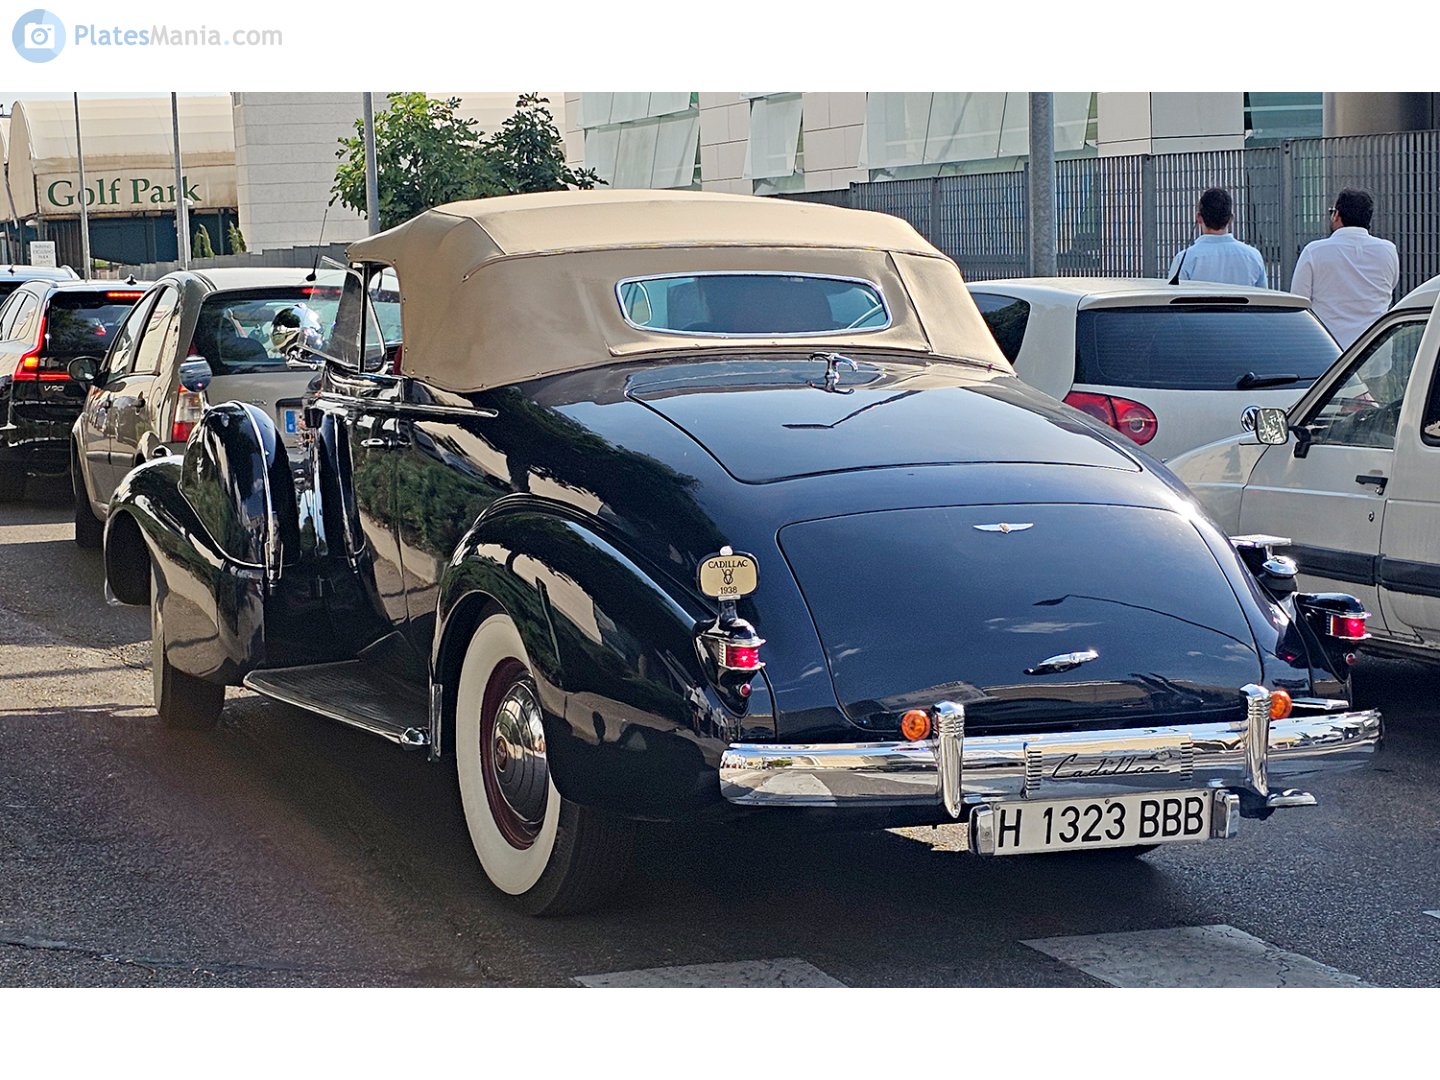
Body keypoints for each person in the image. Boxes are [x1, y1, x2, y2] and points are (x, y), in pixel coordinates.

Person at [1290, 188, 1400, 349]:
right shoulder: (1388, 250)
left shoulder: (1314, 251)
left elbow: (1298, 301)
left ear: (1336, 215)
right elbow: (1391, 286)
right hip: (1374, 351)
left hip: (1328, 350)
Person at [1166, 187, 1268, 288]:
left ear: (1198, 218)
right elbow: (1264, 298)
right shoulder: (1253, 256)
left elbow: (1172, 297)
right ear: (1230, 218)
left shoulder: (1184, 259)